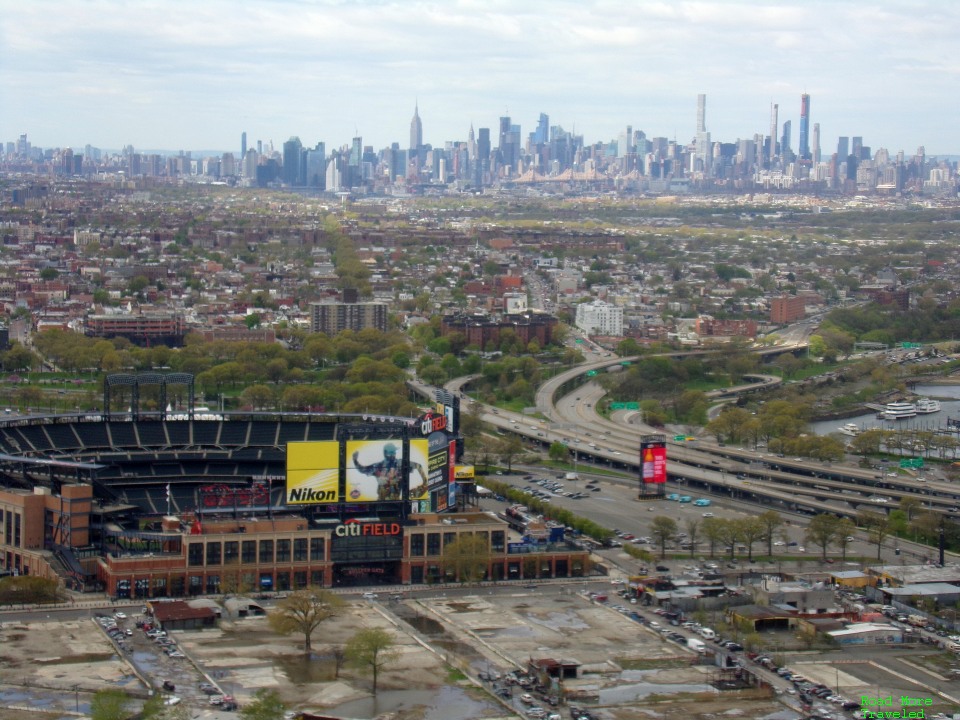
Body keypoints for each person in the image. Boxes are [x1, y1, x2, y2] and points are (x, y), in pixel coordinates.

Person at [352, 443, 427, 501]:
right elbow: (363, 469)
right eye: (391, 452)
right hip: (382, 500)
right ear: (385, 453)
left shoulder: (400, 463)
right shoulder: (379, 466)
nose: (393, 455)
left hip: (397, 500)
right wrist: (355, 461)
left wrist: (425, 483)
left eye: (394, 452)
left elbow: (418, 466)